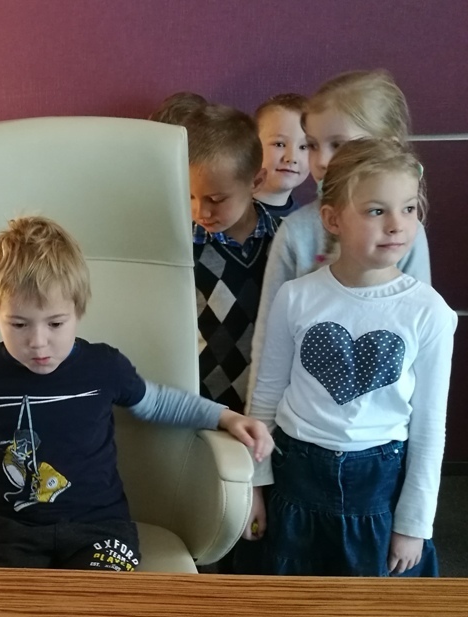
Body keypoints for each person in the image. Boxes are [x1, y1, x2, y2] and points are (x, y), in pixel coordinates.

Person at [0, 216, 273, 571]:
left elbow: (158, 402)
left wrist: (224, 416)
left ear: (78, 313)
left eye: (55, 323)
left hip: (101, 528)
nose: (38, 341)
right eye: (18, 324)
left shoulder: (103, 367)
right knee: (8, 615)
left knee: (97, 612)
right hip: (17, 531)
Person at [247, 138, 456, 577]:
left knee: (370, 608)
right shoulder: (296, 297)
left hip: (380, 488)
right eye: (376, 211)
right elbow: (265, 397)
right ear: (333, 219)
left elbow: (429, 427)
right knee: (293, 603)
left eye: (409, 209)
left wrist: (413, 524)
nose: (396, 225)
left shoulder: (429, 311)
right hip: (295, 479)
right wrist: (255, 485)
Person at [246, 69, 431, 409]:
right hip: (302, 421)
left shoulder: (406, 234)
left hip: (383, 426)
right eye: (313, 145)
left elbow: (421, 336)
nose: (321, 161)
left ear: (388, 147)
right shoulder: (297, 232)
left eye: (338, 145)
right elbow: (269, 340)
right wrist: (260, 424)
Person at [185, 103, 277, 413]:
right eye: (190, 196)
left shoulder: (284, 242)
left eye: (216, 199)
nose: (201, 211)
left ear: (256, 182)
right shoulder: (181, 248)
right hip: (202, 408)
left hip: (267, 408)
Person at [254, 93, 310, 220]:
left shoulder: (305, 224)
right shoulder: (226, 214)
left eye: (304, 147)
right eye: (279, 144)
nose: (292, 158)